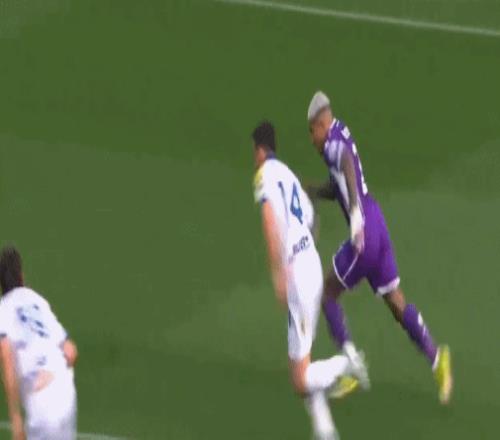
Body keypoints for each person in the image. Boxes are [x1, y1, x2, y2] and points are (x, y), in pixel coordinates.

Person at [306, 91, 452, 404]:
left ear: (321, 124)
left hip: (364, 232)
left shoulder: (331, 145)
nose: (311, 139)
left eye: (311, 131)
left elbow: (345, 163)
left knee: (327, 292)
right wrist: (315, 190)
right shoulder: (340, 130)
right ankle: (437, 358)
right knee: (396, 302)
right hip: (377, 221)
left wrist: (354, 215)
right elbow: (340, 183)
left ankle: (351, 367)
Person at [252, 121, 368, 439]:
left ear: (259, 150)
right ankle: (325, 431)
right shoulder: (288, 174)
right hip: (310, 265)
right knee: (303, 365)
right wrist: (302, 246)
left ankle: (347, 365)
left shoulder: (264, 175)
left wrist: (279, 270)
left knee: (301, 379)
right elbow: (313, 217)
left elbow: (269, 220)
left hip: (298, 277)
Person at [0, 246, 78, 439]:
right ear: (21, 276)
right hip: (65, 392)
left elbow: (7, 361)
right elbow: (70, 351)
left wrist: (16, 418)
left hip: (41, 404)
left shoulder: (3, 310)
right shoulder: (37, 300)